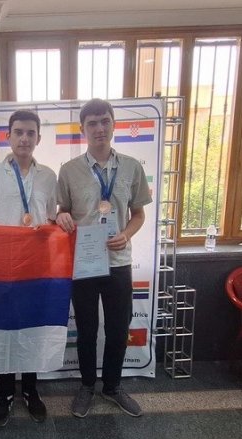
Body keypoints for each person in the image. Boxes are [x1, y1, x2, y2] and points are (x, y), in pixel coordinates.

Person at [55, 98, 152, 418]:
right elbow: (63, 211)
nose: (99, 128)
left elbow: (138, 214)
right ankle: (86, 386)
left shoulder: (132, 167)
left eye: (104, 121)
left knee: (118, 328)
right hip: (84, 261)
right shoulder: (69, 170)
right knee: (86, 329)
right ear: (83, 129)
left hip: (118, 260)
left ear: (114, 125)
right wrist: (62, 217)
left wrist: (127, 233)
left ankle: (112, 386)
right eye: (92, 123)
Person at [0, 109, 57, 426]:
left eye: (30, 133)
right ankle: (5, 394)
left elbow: (50, 220)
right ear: (7, 136)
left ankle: (31, 390)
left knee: (33, 331)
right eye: (18, 132)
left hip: (37, 270)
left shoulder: (49, 176)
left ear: (39, 137)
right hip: (4, 270)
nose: (24, 138)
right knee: (6, 334)